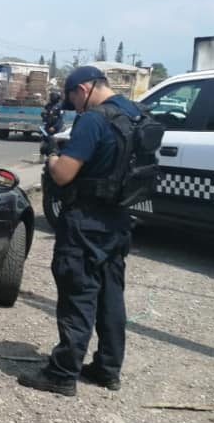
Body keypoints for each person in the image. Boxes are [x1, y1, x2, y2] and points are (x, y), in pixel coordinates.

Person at [19, 66, 136, 397]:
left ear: (84, 88)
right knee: (111, 296)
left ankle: (62, 373)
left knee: (78, 294)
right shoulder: (134, 113)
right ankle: (107, 368)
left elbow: (63, 176)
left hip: (86, 222)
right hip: (118, 220)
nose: (74, 106)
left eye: (73, 98)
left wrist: (53, 153)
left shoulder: (94, 120)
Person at [39, 90, 65, 158]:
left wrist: (54, 127)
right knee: (44, 141)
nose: (52, 97)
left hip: (56, 128)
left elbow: (60, 119)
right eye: (51, 96)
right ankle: (42, 156)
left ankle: (54, 156)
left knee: (54, 142)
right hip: (47, 127)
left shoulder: (60, 106)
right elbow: (43, 113)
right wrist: (44, 116)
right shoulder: (48, 105)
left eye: (54, 96)